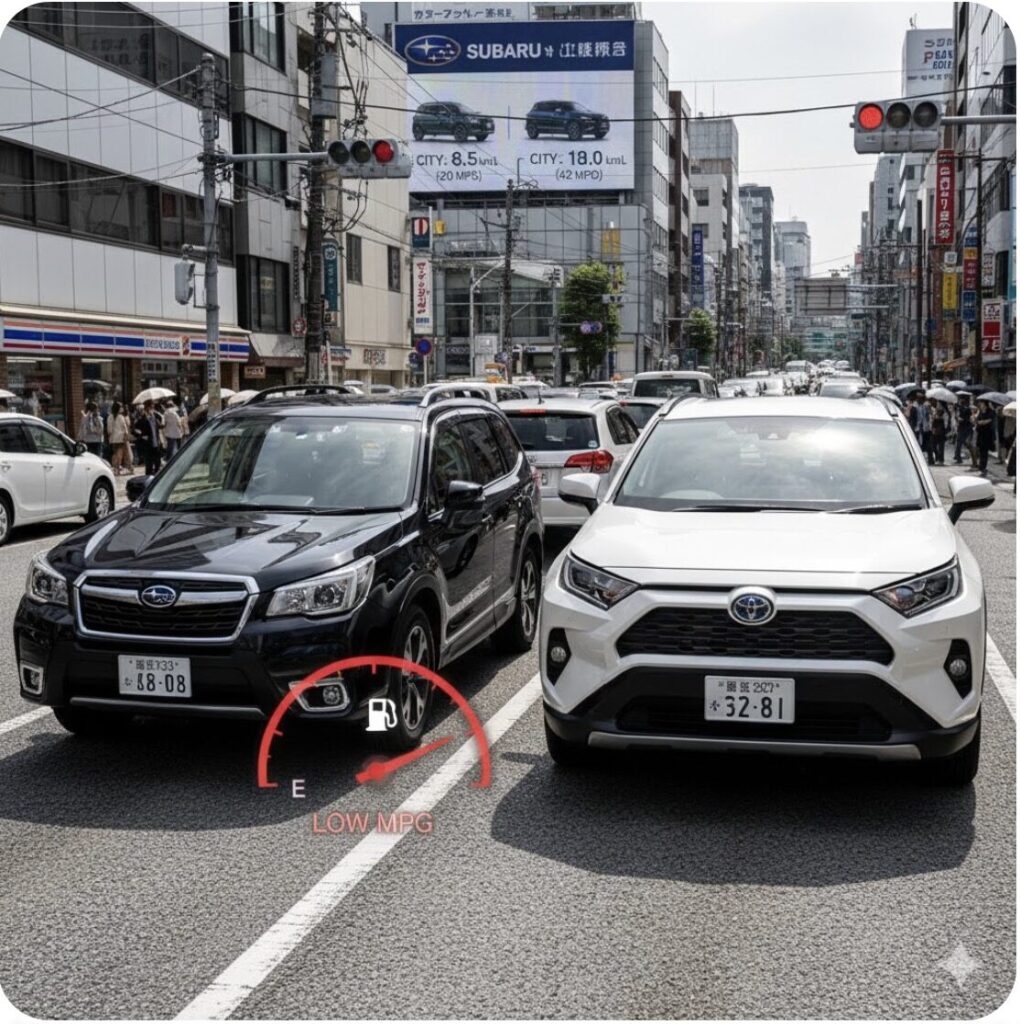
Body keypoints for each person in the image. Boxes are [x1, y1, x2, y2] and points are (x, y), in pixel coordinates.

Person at [132, 399, 163, 476]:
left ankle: (156, 477)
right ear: (147, 406)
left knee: (157, 463)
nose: (153, 407)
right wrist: (141, 436)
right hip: (148, 444)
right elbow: (134, 429)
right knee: (149, 465)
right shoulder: (142, 417)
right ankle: (149, 479)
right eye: (151, 405)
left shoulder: (154, 416)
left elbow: (158, 427)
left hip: (156, 443)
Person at [107, 401, 132, 475]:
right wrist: (126, 435)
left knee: (114, 453)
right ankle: (117, 468)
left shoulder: (110, 417)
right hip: (120, 437)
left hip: (113, 438)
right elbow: (125, 428)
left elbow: (109, 430)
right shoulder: (121, 417)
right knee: (119, 454)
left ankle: (115, 468)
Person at [974, 400, 996, 476]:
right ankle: (981, 467)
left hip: (987, 435)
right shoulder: (979, 412)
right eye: (980, 403)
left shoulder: (990, 412)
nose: (981, 405)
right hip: (980, 434)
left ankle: (983, 468)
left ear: (985, 404)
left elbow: (990, 420)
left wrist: (982, 422)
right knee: (981, 451)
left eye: (982, 403)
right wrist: (976, 419)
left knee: (984, 452)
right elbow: (976, 421)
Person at [954, 396, 974, 466]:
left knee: (963, 443)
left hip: (965, 428)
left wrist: (960, 419)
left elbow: (967, 419)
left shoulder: (967, 409)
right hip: (961, 428)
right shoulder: (959, 409)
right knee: (959, 442)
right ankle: (957, 457)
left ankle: (959, 457)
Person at [915, 395, 933, 465]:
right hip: (919, 427)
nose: (918, 400)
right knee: (918, 444)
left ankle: (930, 459)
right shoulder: (917, 407)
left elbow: (928, 417)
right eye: (918, 399)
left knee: (928, 445)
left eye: (919, 399)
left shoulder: (926, 407)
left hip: (925, 428)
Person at [931, 400, 947, 466]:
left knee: (941, 446)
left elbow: (945, 423)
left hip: (941, 432)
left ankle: (941, 460)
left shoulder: (944, 413)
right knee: (933, 446)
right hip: (935, 431)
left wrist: (938, 417)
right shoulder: (935, 412)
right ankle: (937, 457)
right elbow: (933, 421)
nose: (938, 406)